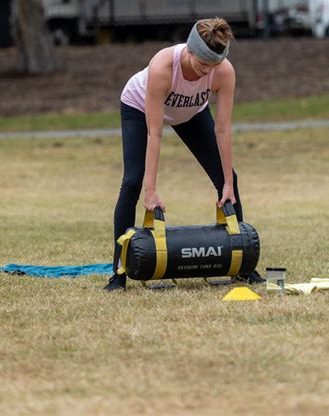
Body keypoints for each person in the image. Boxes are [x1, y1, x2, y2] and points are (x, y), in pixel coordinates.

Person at [105, 17, 264, 291]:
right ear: (189, 50)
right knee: (132, 183)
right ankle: (118, 273)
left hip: (191, 112)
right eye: (202, 64)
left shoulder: (224, 71)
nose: (206, 71)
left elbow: (223, 130)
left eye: (213, 65)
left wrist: (226, 181)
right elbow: (154, 133)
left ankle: (244, 268)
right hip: (138, 107)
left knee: (230, 180)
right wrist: (151, 189)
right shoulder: (163, 67)